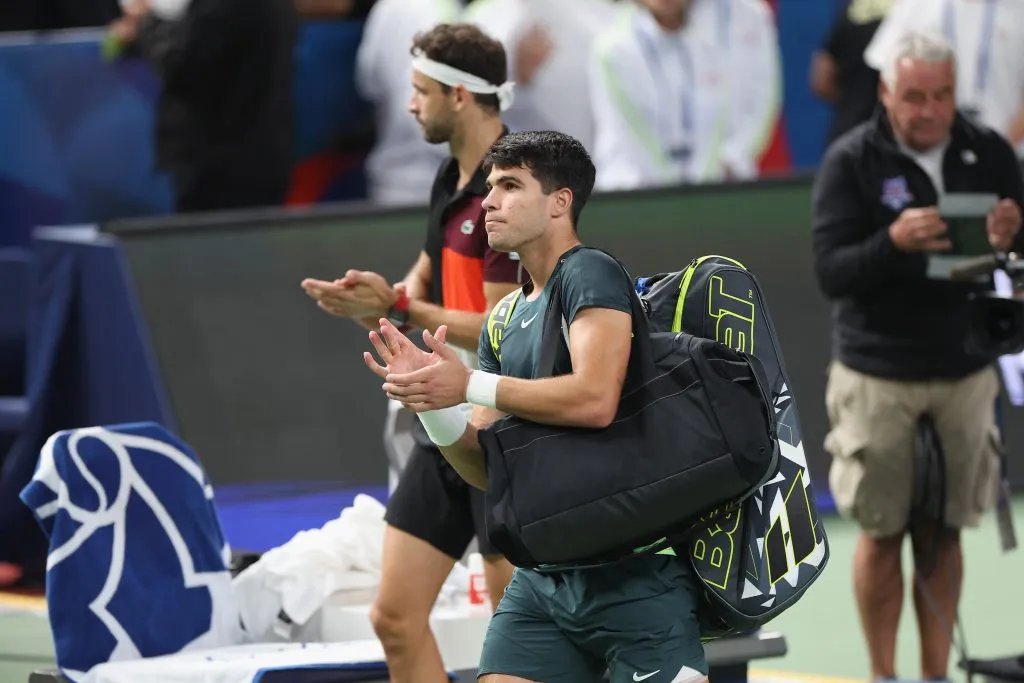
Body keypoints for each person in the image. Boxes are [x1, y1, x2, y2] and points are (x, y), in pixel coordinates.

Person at [362, 130, 708, 683]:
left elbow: (595, 398)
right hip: (542, 585)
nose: (489, 201)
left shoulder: (589, 272)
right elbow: (484, 469)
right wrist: (432, 402)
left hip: (634, 579)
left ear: (559, 202)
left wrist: (470, 384)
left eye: (510, 185)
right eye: (490, 187)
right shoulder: (502, 319)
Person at [301, 23, 521, 683]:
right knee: (394, 615)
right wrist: (380, 294)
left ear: (460, 95)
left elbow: (499, 328)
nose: (409, 104)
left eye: (421, 91)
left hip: (505, 428)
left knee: (518, 636)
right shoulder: (449, 177)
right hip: (445, 414)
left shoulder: (510, 191)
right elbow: (426, 274)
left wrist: (399, 310)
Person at [811, 30, 1023, 683]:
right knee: (880, 530)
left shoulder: (988, 151)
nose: (929, 110)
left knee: (947, 530)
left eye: (941, 96)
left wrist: (1013, 241)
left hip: (963, 367)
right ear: (884, 90)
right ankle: (884, 675)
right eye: (913, 96)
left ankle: (934, 675)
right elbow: (830, 272)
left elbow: (1016, 264)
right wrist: (892, 242)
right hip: (877, 371)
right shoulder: (850, 160)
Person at [108, 0, 296, 214]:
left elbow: (181, 65)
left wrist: (147, 23)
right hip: (267, 158)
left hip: (217, 164)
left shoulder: (220, 7)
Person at [810, 0, 895, 145]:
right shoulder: (918, 9)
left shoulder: (852, 9)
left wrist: (852, 102)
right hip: (895, 140)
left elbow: (821, 80)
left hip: (847, 136)